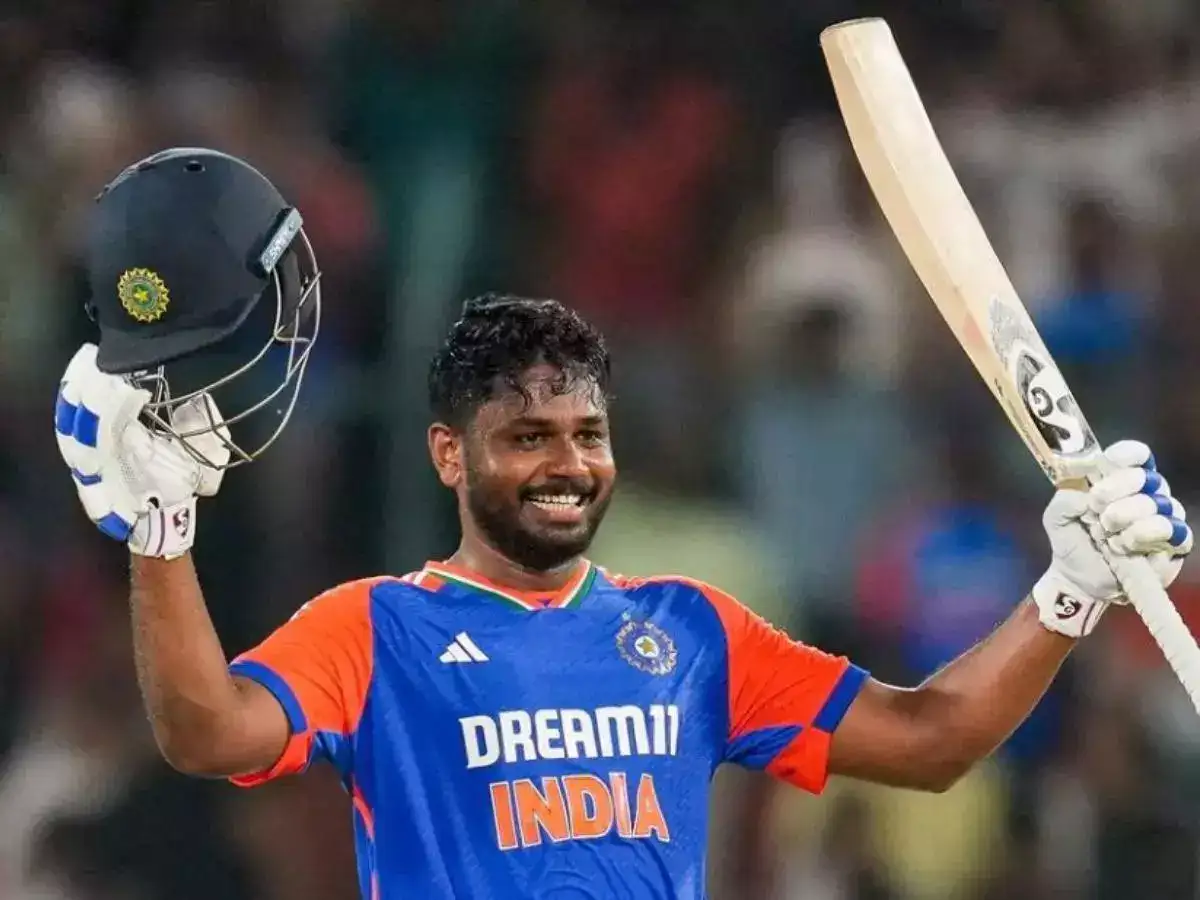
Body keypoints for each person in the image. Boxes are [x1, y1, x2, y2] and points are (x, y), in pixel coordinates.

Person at [54, 148, 1194, 900]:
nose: (568, 465)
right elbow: (209, 735)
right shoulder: (375, 631)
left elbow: (932, 743)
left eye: (586, 434)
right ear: (450, 455)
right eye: (527, 436)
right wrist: (162, 534)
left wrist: (1069, 591)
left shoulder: (692, 632)